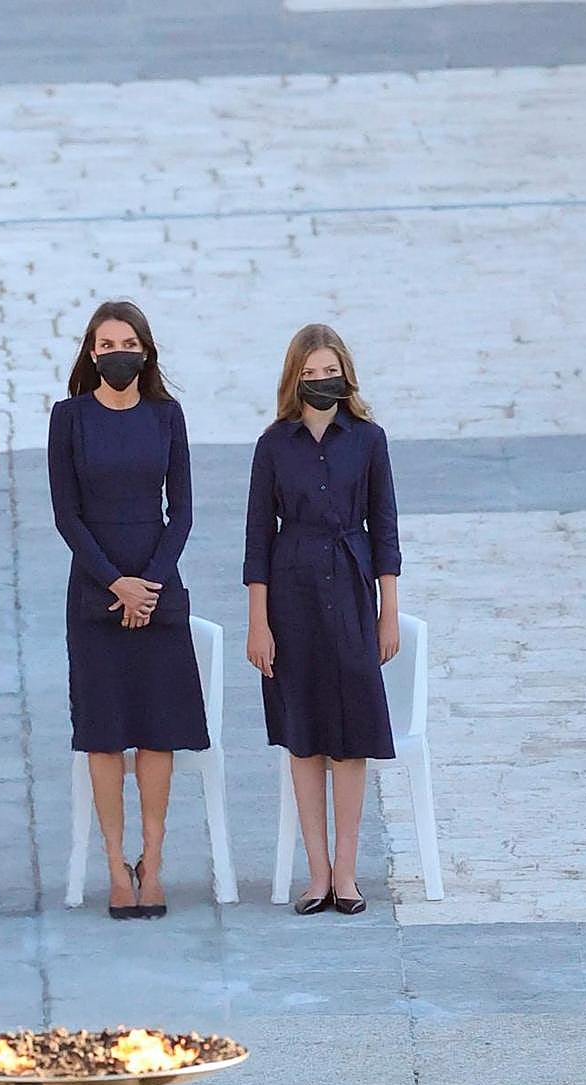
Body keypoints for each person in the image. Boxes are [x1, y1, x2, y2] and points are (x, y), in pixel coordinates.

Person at [48, 300, 207, 921]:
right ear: (92, 353)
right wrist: (118, 584)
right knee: (107, 732)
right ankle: (116, 864)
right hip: (94, 588)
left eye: (129, 342)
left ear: (146, 351)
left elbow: (184, 510)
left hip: (159, 583)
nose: (119, 353)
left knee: (158, 731)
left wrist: (150, 584)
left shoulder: (168, 417)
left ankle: (155, 862)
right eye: (106, 344)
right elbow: (67, 515)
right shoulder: (70, 419)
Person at [244, 324, 400, 917]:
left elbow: (385, 529)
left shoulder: (368, 439)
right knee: (304, 736)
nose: (320, 382)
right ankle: (315, 874)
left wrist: (389, 612)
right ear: (294, 379)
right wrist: (258, 622)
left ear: (345, 374)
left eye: (328, 371)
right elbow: (257, 538)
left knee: (351, 736)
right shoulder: (273, 444)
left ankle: (347, 872)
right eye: (309, 374)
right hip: (292, 591)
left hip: (354, 587)